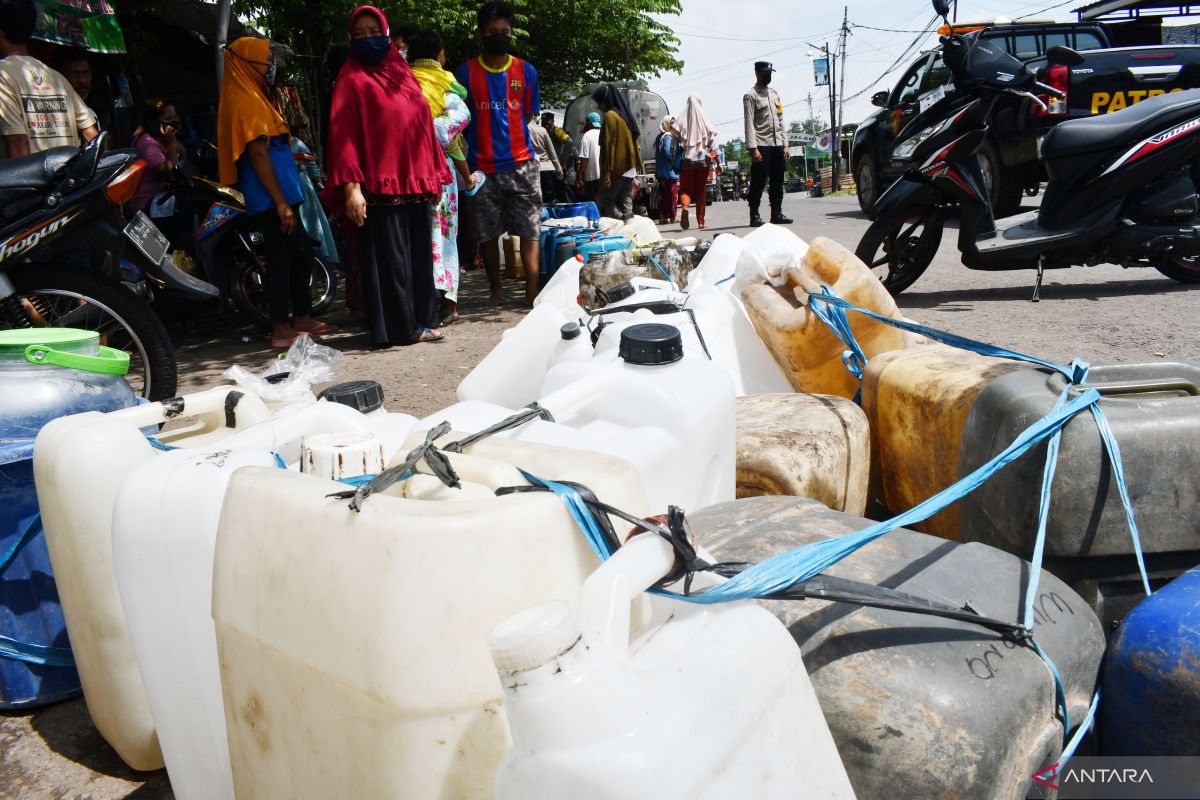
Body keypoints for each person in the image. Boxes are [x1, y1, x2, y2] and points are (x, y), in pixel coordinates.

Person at [325, 6, 448, 346]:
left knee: (419, 256)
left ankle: (422, 320)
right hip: (378, 187)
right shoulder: (351, 80)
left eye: (373, 31)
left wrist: (434, 174)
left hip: (414, 183)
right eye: (359, 34)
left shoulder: (403, 74)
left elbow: (423, 125)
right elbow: (343, 137)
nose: (367, 39)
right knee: (391, 261)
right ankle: (400, 328)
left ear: (386, 34)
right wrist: (351, 189)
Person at [218, 36, 335, 348]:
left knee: (301, 256)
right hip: (272, 198)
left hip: (283, 194)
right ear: (246, 63)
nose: (270, 68)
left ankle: (302, 318)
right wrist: (281, 202)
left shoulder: (253, 96)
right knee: (281, 261)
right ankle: (281, 328)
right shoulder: (244, 100)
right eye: (265, 61)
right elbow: (258, 155)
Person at [454, 1, 542, 307]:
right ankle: (496, 290)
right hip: (480, 167)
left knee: (530, 227)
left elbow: (528, 115)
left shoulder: (525, 71)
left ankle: (532, 290)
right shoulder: (463, 73)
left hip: (522, 164)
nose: (500, 36)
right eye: (493, 31)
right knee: (486, 232)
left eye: (505, 31)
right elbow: (458, 120)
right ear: (480, 33)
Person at [408, 29, 476, 327]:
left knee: (415, 236)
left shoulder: (400, 82)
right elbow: (452, 126)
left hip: (406, 170)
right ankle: (448, 304)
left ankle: (420, 303)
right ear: (440, 55)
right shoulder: (448, 84)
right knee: (445, 235)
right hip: (439, 171)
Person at [0, 0, 96, 157]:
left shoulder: (2, 75)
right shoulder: (57, 77)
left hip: (30, 180)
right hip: (67, 178)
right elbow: (91, 134)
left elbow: (17, 141)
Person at [128, 99, 192, 249]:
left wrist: (173, 142)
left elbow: (184, 159)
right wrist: (171, 145)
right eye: (168, 119)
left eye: (175, 118)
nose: (173, 123)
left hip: (163, 197)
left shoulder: (164, 140)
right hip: (147, 205)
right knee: (187, 207)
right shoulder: (147, 143)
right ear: (154, 122)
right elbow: (171, 174)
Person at [743, 60, 792, 227]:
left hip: (777, 144)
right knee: (759, 181)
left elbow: (780, 119)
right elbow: (749, 123)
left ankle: (776, 213)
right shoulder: (751, 96)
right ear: (757, 73)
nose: (769, 75)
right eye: (766, 73)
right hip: (761, 144)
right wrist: (753, 148)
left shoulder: (774, 94)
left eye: (770, 72)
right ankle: (754, 215)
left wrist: (785, 144)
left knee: (778, 181)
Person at [289, 125, 340, 269]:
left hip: (292, 189)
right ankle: (324, 258)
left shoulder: (278, 145)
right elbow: (312, 166)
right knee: (314, 225)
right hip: (303, 188)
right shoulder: (295, 142)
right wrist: (317, 180)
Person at [592, 83, 639, 221]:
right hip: (629, 167)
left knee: (606, 199)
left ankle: (622, 222)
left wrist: (607, 171)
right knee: (625, 200)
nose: (599, 106)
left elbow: (609, 145)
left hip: (618, 168)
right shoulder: (624, 115)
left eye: (599, 101)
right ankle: (630, 227)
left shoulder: (611, 116)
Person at [672, 94, 716, 231]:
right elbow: (713, 143)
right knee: (700, 190)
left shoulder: (681, 120)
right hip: (703, 162)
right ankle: (701, 222)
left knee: (686, 189)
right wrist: (719, 162)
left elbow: (673, 143)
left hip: (687, 162)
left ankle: (685, 208)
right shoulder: (704, 120)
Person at [527, 111, 562, 207]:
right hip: (546, 168)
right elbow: (552, 152)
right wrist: (559, 168)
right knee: (549, 200)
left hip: (530, 169)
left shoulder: (519, 131)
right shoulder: (542, 131)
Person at [653, 115, 680, 225]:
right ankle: (673, 217)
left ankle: (663, 217)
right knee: (672, 196)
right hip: (669, 172)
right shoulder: (668, 136)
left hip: (660, 172)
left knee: (663, 196)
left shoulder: (659, 136)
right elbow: (667, 152)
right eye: (671, 124)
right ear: (667, 125)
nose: (673, 126)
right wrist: (675, 159)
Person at [543, 111, 574, 202]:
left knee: (560, 194)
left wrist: (562, 162)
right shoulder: (542, 130)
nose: (545, 126)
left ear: (553, 120)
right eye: (543, 123)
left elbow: (569, 141)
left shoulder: (557, 130)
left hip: (557, 168)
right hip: (547, 168)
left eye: (547, 123)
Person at [575, 110, 601, 202]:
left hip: (591, 177)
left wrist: (579, 173)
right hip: (604, 176)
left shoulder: (587, 136)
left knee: (593, 203)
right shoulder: (603, 133)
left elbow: (585, 158)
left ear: (589, 122)